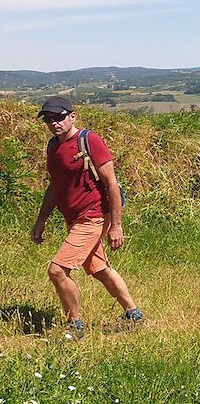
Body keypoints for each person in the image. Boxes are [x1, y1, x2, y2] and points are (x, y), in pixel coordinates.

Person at [30, 97, 142, 339]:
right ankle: (134, 315)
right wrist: (42, 220)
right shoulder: (53, 146)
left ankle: (75, 326)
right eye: (48, 119)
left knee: (57, 271)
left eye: (59, 117)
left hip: (93, 217)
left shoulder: (89, 141)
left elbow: (112, 184)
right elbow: (54, 187)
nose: (54, 123)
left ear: (72, 116)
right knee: (99, 268)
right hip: (74, 219)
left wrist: (116, 225)